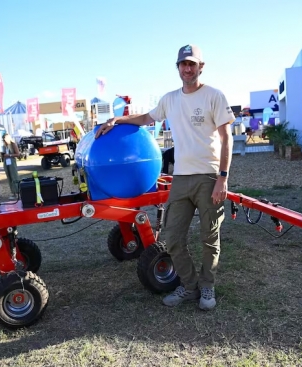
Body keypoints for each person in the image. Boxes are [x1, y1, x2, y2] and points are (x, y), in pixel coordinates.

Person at [95, 44, 235, 311]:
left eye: (192, 64)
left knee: (209, 236)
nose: (187, 68)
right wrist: (117, 120)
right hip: (181, 178)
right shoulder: (170, 99)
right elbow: (147, 117)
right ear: (178, 68)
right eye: (183, 64)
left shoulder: (214, 96)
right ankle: (190, 286)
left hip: (208, 176)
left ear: (200, 67)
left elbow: (226, 138)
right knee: (171, 237)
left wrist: (222, 178)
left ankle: (207, 286)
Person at [1, 133, 20, 199]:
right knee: (9, 177)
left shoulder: (13, 144)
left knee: (14, 176)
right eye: (3, 139)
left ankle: (17, 192)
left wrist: (9, 155)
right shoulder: (4, 146)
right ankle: (13, 193)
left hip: (11, 161)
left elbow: (18, 154)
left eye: (4, 139)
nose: (4, 140)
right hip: (6, 162)